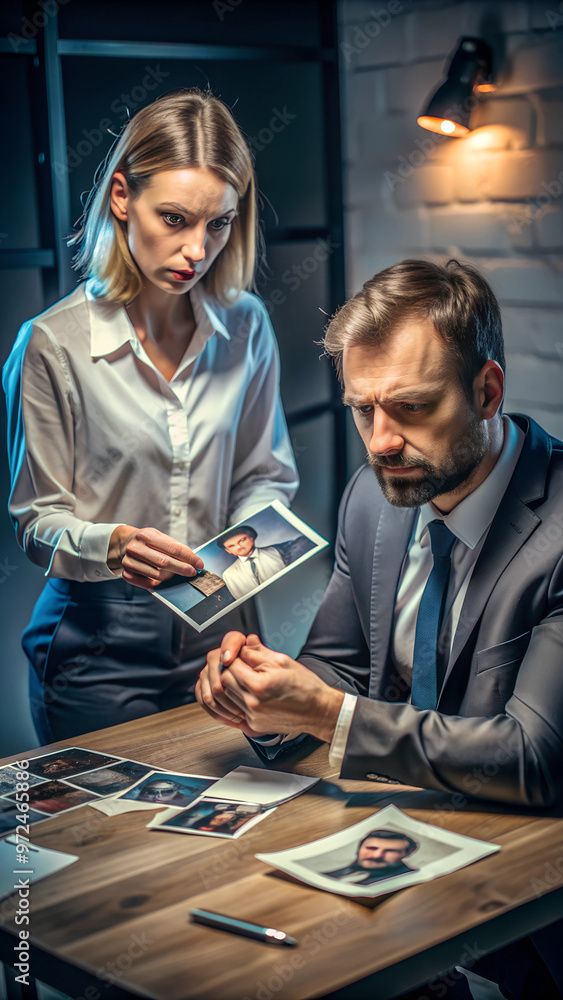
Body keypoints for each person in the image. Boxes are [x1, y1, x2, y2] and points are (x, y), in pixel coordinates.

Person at [196, 258, 563, 999]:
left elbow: (534, 759)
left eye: (410, 408)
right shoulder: (375, 493)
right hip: (392, 875)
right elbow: (332, 669)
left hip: (531, 916)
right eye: (362, 410)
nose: (379, 441)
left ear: (486, 390)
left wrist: (327, 713)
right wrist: (262, 694)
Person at [3, 88, 298, 743]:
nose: (196, 249)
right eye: (174, 218)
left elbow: (265, 473)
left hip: (223, 623)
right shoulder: (51, 345)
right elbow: (35, 521)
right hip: (97, 645)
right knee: (107, 840)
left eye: (218, 224)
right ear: (120, 197)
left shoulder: (246, 325)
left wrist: (245, 549)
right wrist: (111, 545)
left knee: (232, 827)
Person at [219, 525, 315, 600]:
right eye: (232, 546)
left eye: (242, 540)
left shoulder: (279, 550)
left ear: (251, 538)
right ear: (228, 551)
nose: (239, 546)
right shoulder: (229, 574)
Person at [322, 830, 418, 885]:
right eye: (371, 848)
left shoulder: (413, 879)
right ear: (359, 849)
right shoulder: (329, 875)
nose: (377, 856)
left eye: (391, 851)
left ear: (407, 854)